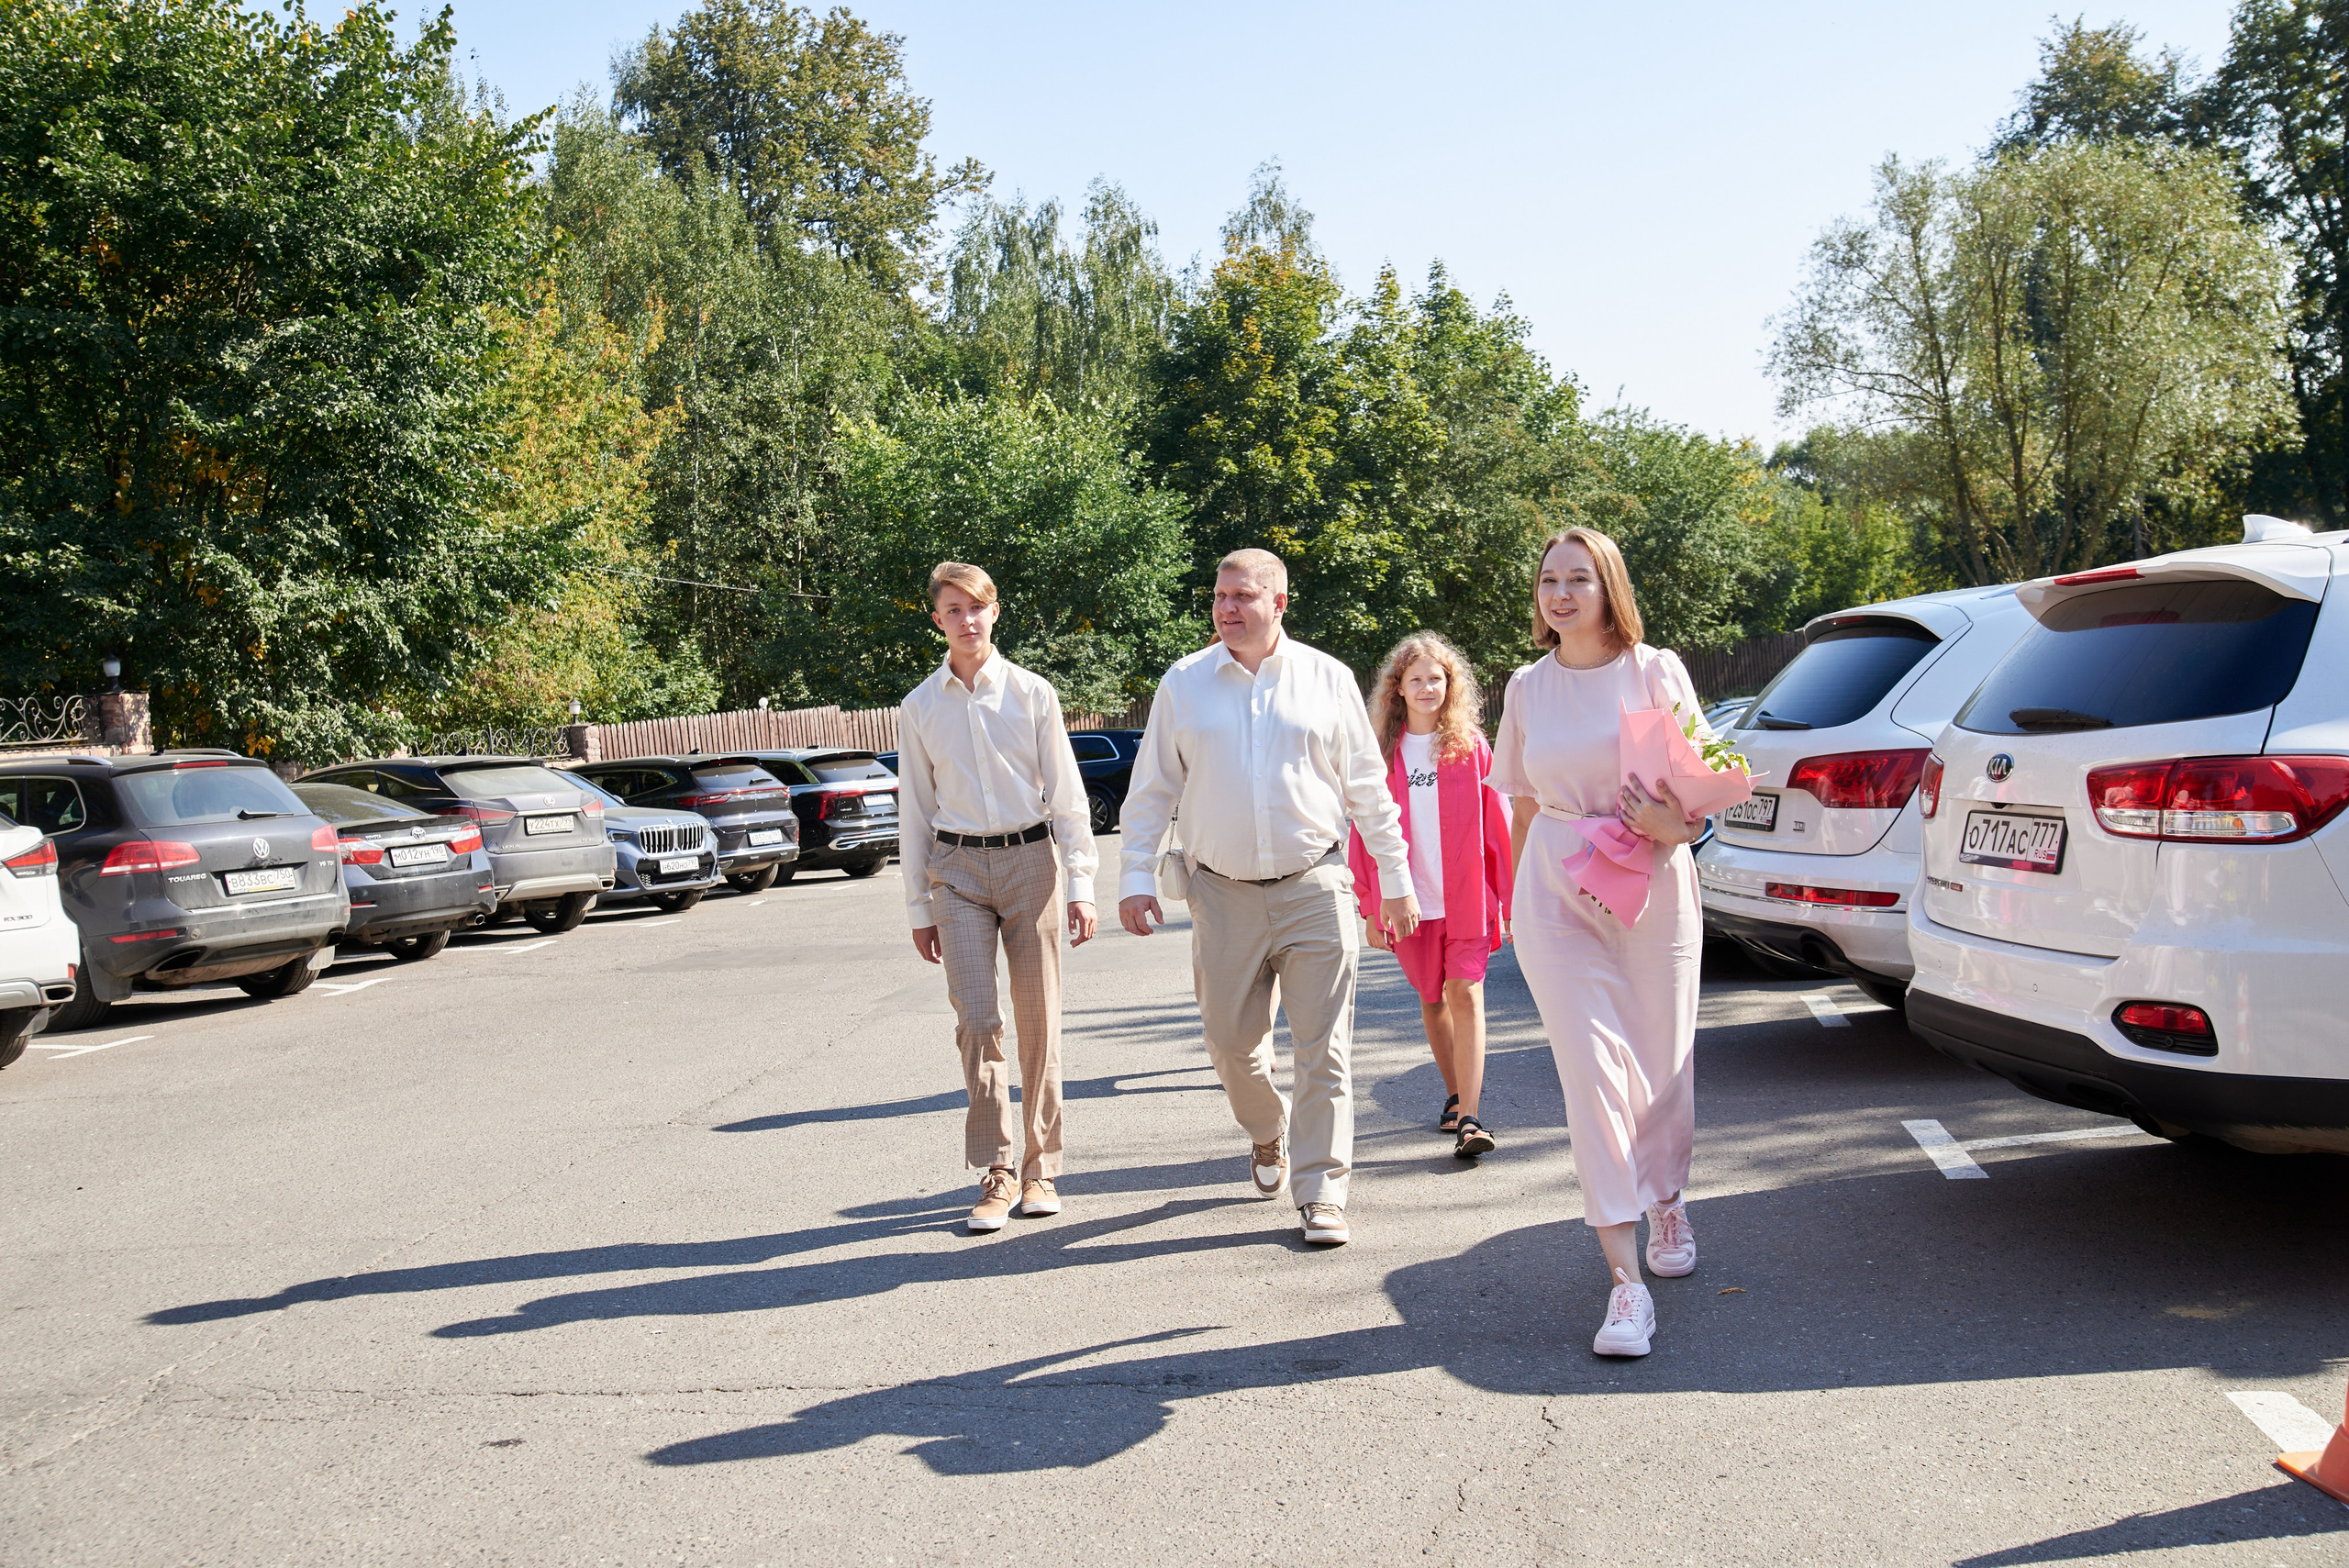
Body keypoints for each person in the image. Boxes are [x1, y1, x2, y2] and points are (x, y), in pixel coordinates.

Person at [1116, 549, 1419, 1247]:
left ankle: (1322, 1191)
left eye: (1243, 596)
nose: (1227, 608)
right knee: (1229, 1042)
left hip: (1317, 884)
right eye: (1220, 596)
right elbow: (1151, 791)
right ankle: (1266, 1130)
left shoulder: (1326, 679)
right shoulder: (1185, 683)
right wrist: (1134, 878)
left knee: (1326, 1050)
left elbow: (1369, 790)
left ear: (1279, 602)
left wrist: (1396, 881)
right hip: (1220, 895)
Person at [1488, 527, 1707, 1358]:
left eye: (1579, 577)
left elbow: (1703, 786)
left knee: (1661, 1065)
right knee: (1590, 1076)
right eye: (1549, 579)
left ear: (1609, 585)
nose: (1561, 593)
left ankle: (1667, 1197)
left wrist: (1679, 824)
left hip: (1651, 880)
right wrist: (1515, 899)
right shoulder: (1526, 687)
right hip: (1556, 888)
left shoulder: (1655, 671)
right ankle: (1626, 1285)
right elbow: (1519, 800)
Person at [898, 562, 1098, 1235]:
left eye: (977, 607)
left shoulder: (1033, 693)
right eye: (953, 610)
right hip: (955, 868)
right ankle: (997, 1169)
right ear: (938, 620)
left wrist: (1083, 882)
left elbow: (1068, 795)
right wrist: (918, 907)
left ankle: (1041, 1167)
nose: (967, 619)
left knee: (1038, 1019)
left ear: (995, 611)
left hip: (1029, 863)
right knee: (978, 1018)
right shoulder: (920, 707)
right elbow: (916, 814)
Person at [1346, 633, 1514, 1161]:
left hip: (1466, 899)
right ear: (1397, 688)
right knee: (1433, 997)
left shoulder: (1470, 747)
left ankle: (1471, 1116)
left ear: (1450, 685)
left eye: (1436, 678)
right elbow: (1363, 835)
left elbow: (1499, 830)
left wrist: (1506, 901)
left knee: (1466, 992)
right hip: (1408, 904)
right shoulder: (1382, 754)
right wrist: (1371, 905)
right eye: (1415, 679)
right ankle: (1454, 1095)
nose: (1426, 687)